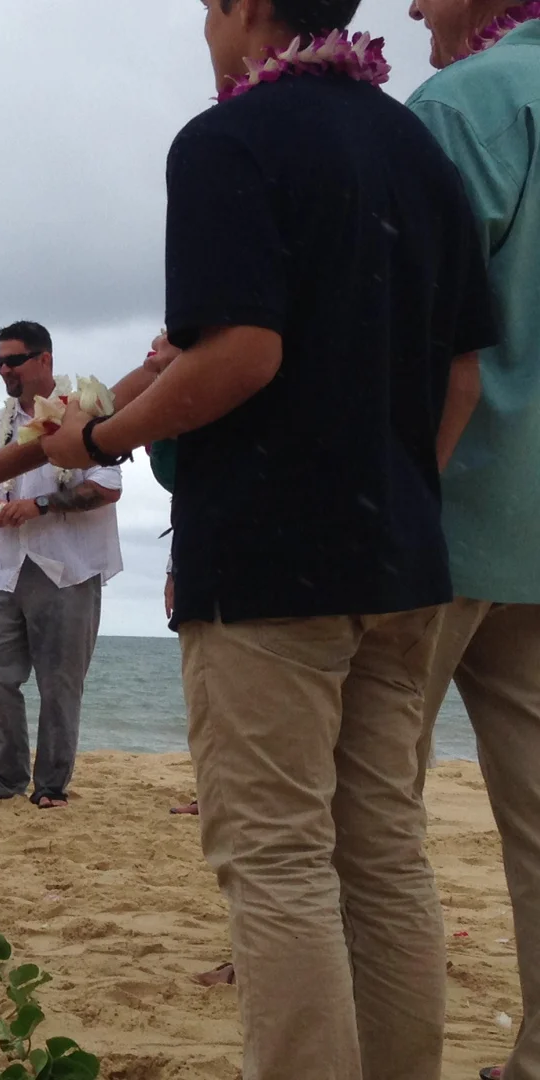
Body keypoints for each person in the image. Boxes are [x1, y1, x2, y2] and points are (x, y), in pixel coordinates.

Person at [26, 2, 495, 1075]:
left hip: (272, 571)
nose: (202, 25)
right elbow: (463, 372)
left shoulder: (226, 140)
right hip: (404, 564)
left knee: (279, 861)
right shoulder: (415, 144)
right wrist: (403, 488)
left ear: (246, 7)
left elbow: (240, 351)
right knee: (382, 855)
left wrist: (97, 434)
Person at [402, 4, 540, 1078]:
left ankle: (378, 1046)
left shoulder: (459, 107)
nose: (411, 8)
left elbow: (394, 334)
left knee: (369, 808)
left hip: (438, 520)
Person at [0, 321, 122, 809]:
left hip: (67, 567)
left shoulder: (85, 417)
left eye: (14, 360)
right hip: (6, 566)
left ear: (45, 360)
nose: (5, 369)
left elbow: (109, 484)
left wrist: (42, 506)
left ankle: (51, 785)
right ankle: (5, 775)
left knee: (60, 682)